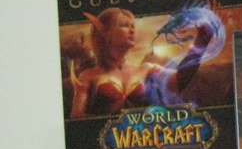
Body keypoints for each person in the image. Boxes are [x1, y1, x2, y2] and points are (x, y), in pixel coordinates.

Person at [69, 6, 215, 117]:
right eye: (124, 25)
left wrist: (202, 42)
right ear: (105, 33)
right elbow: (77, 118)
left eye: (133, 26)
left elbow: (180, 80)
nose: (132, 30)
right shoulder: (88, 76)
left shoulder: (146, 69)